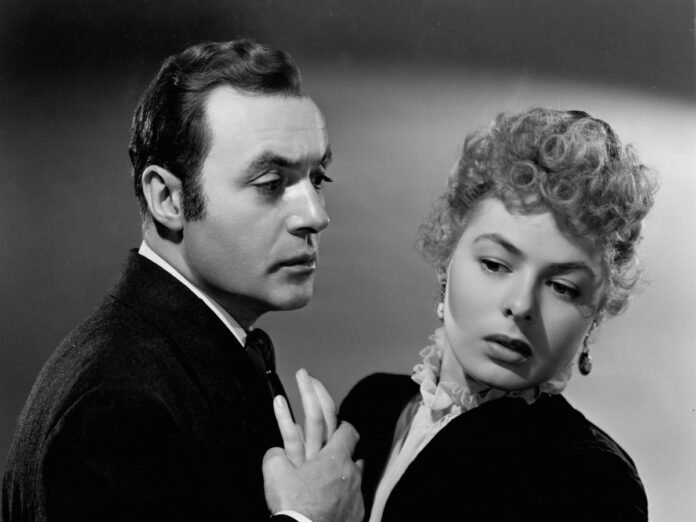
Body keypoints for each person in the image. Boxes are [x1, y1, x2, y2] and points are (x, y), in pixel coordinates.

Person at [2, 39, 363, 522]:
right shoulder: (120, 406)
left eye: (317, 178)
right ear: (167, 199)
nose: (315, 216)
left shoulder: (177, 358)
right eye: (271, 184)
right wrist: (305, 519)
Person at [337, 108, 655, 521]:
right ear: (446, 260)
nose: (521, 306)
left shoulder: (590, 481)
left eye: (562, 287)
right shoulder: (373, 406)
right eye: (494, 264)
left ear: (595, 315)